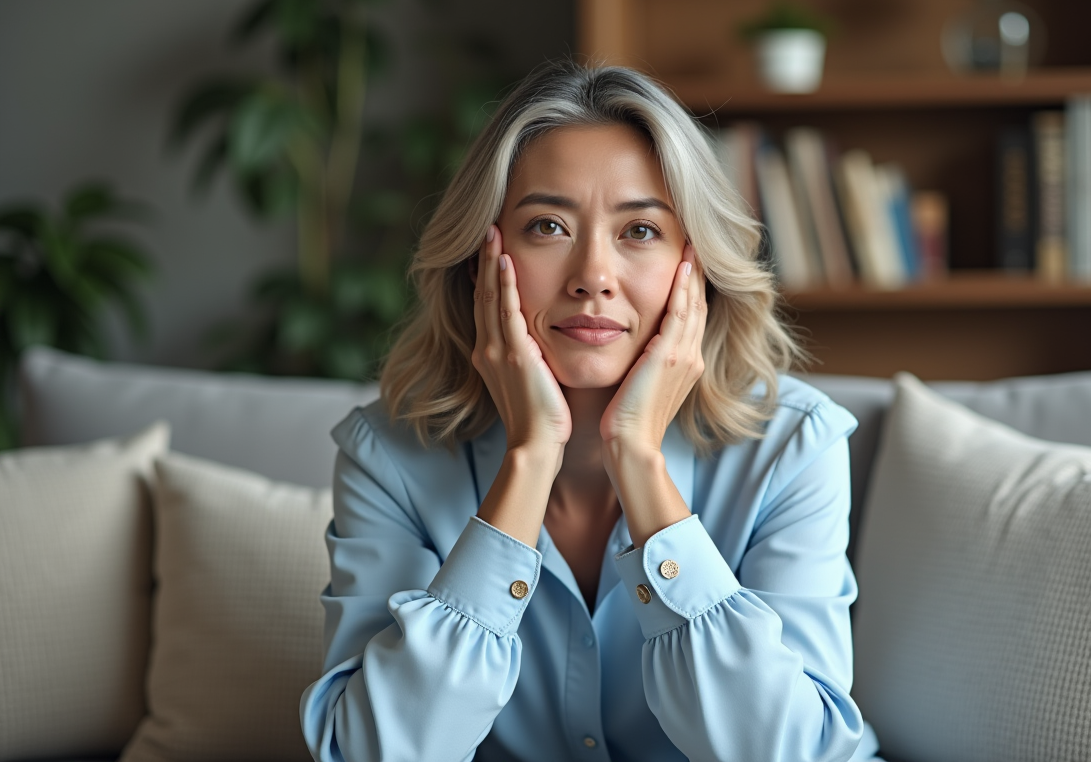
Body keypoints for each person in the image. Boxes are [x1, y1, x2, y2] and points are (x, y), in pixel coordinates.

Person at [299, 60, 880, 762]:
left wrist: (638, 460)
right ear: (483, 259)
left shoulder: (793, 447)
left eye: (639, 232)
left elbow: (795, 754)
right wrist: (528, 460)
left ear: (693, 266)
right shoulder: (389, 455)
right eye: (548, 226)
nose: (593, 279)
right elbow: (371, 753)